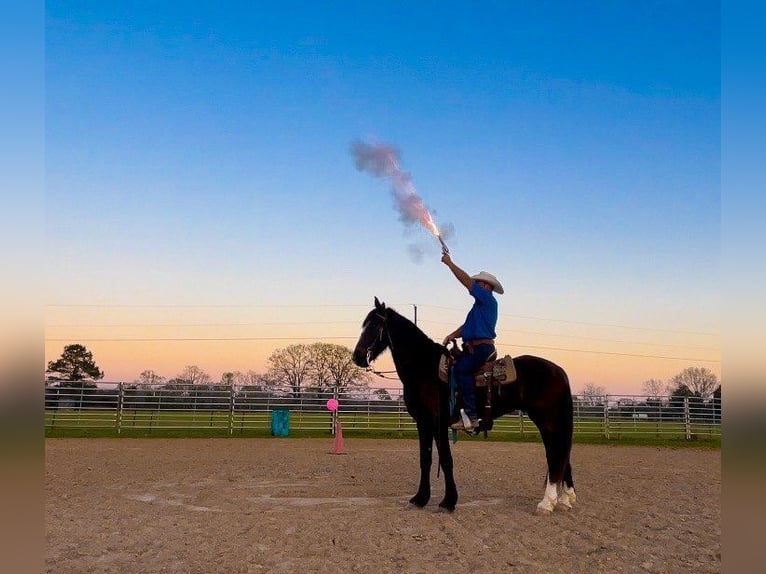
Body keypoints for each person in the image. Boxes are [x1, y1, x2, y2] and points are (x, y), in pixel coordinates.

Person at [441, 253, 504, 431]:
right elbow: (468, 326)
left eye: (478, 283)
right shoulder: (480, 306)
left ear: (485, 286)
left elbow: (466, 282)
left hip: (481, 348)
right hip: (477, 346)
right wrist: (453, 334)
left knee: (461, 371)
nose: (474, 285)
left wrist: (449, 263)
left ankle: (471, 415)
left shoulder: (487, 298)